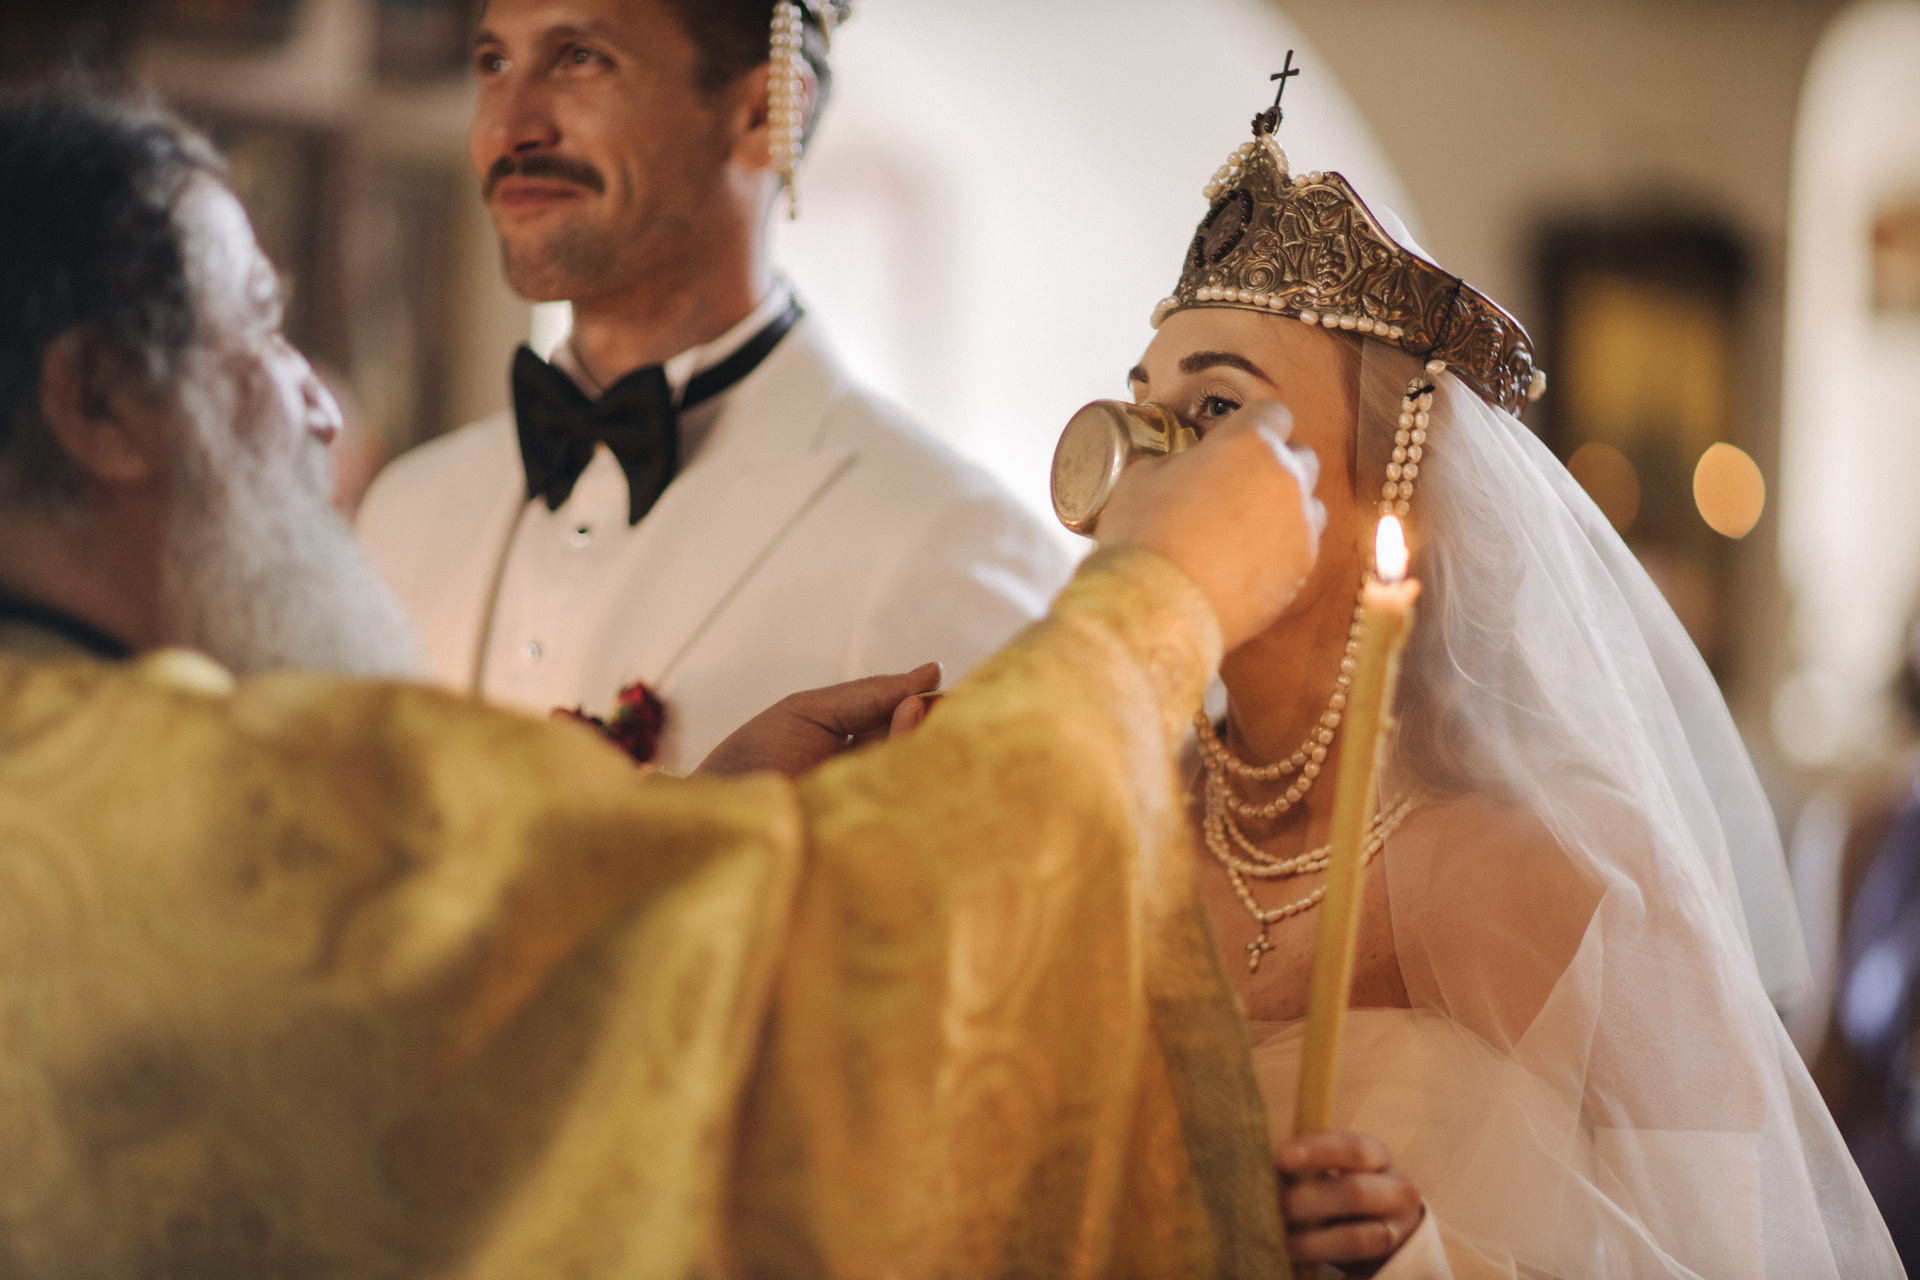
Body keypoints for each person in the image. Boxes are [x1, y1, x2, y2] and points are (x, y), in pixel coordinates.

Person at [0, 93, 1328, 1275]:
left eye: (579, 57)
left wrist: (702, 816)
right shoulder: (218, 794)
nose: (321, 405)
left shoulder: (84, 758)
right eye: (259, 327)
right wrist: (1162, 599)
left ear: (759, 110)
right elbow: (841, 991)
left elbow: (474, 994)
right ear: (98, 401)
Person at [1113, 100, 1902, 1276]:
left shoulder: (1566, 869)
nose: (1151, 467)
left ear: (1391, 484)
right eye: (1142, 409)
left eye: (1218, 409)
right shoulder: (1108, 816)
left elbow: (1739, 1259)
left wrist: (1422, 1260)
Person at [355, 0, 1070, 773]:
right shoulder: (403, 511)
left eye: (580, 58)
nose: (505, 130)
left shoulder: (948, 543)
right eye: (494, 64)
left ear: (765, 113)